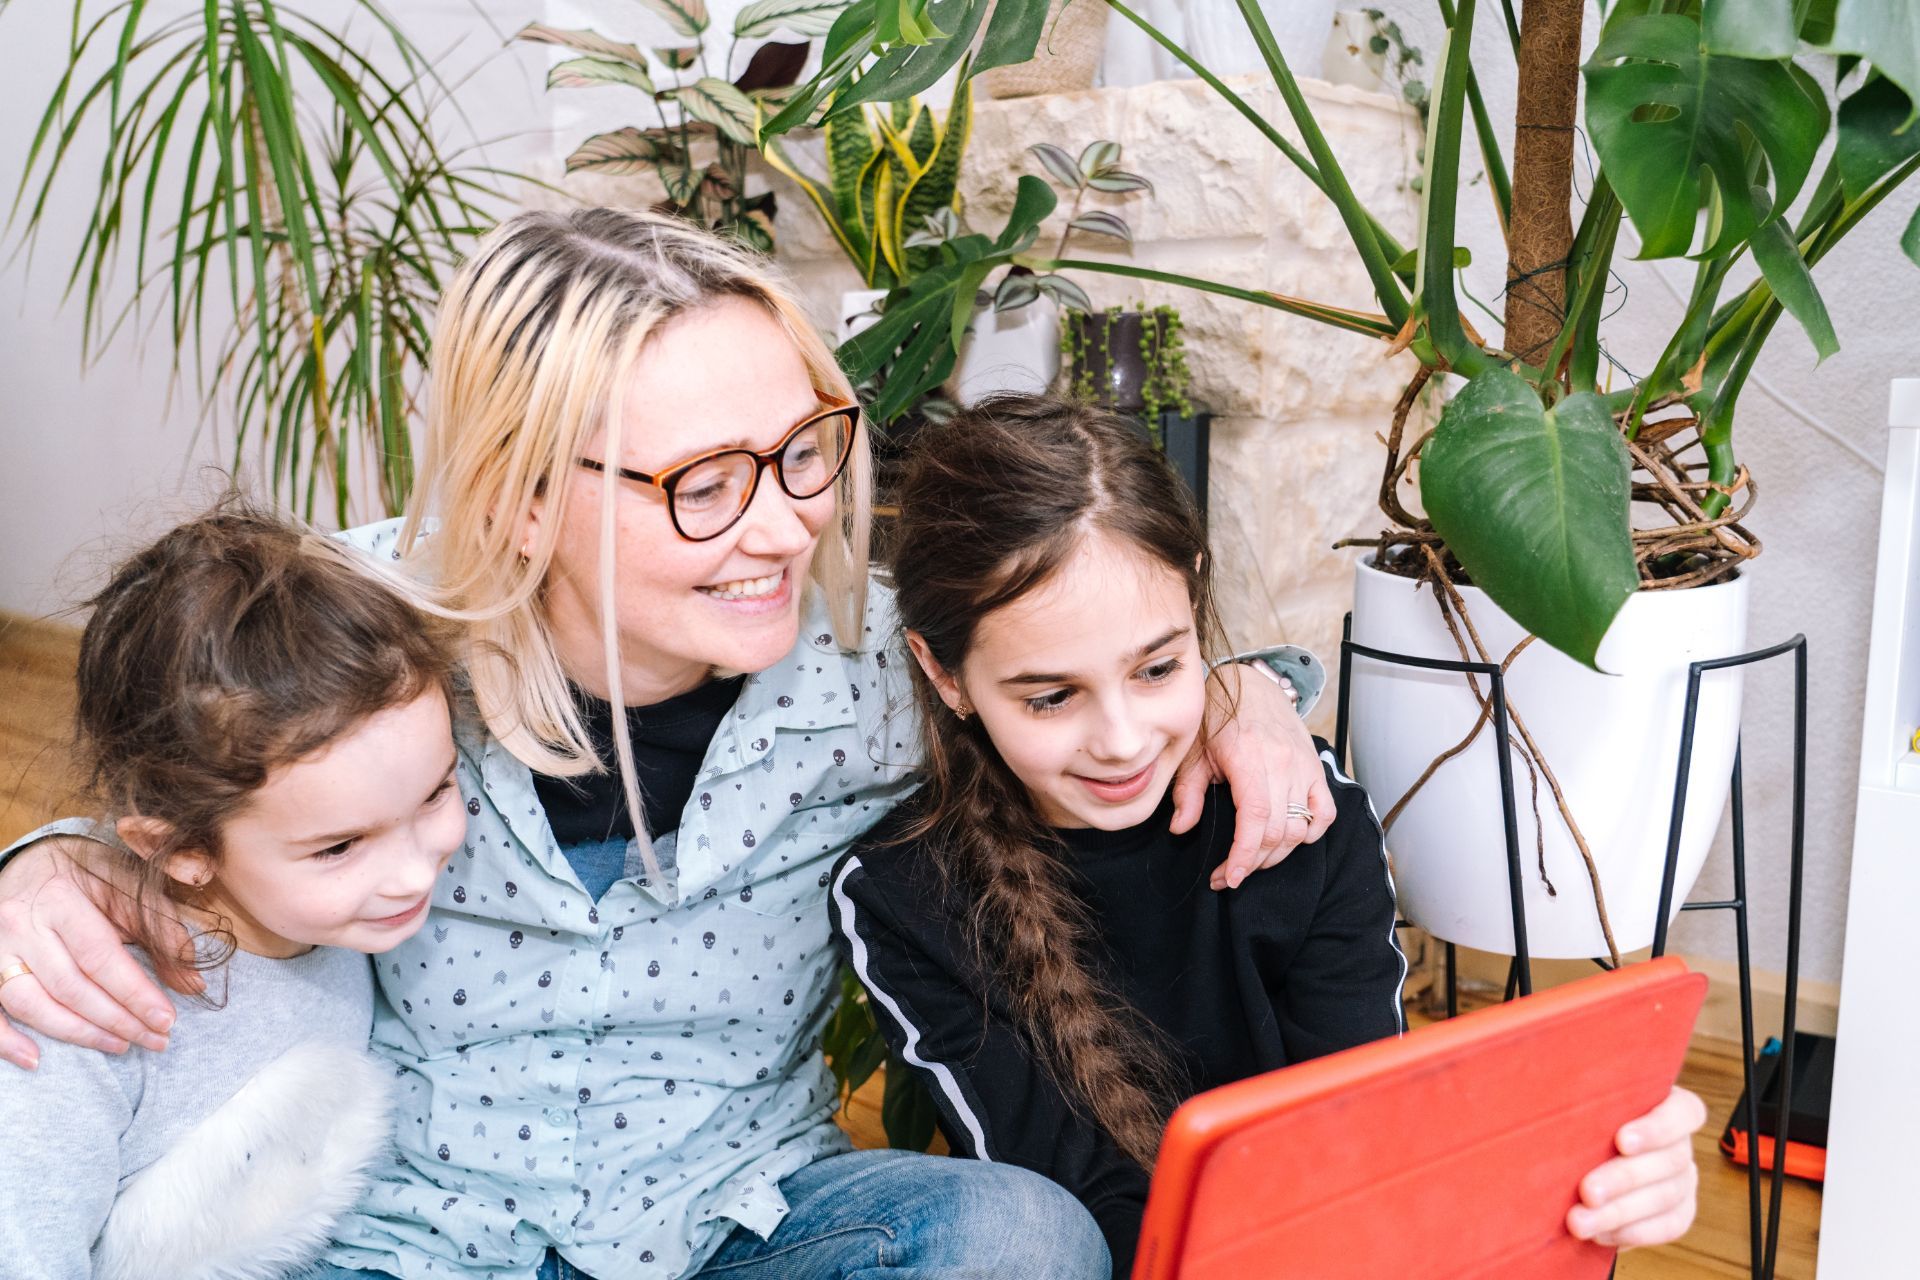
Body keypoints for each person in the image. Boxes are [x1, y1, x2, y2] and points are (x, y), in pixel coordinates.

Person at [0, 209, 1334, 1280]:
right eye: (703, 484)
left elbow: (1093, 664)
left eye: (803, 452)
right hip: (411, 1238)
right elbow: (180, 772)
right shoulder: (363, 640)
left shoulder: (880, 668)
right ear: (521, 499)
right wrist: (50, 862)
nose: (782, 529)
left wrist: (1245, 697)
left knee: (1022, 1242)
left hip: (742, 1218)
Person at [830, 396, 1707, 1276]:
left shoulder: (1300, 816)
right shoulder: (904, 894)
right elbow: (1075, 1219)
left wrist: (1597, 1181)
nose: (1124, 740)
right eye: (1050, 697)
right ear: (944, 674)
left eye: (1159, 667)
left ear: (1197, 599)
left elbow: (1369, 1134)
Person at [0, 507, 466, 1278]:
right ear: (179, 848)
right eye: (340, 847)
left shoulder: (333, 914)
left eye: (437, 793)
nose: (417, 873)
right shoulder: (76, 1017)